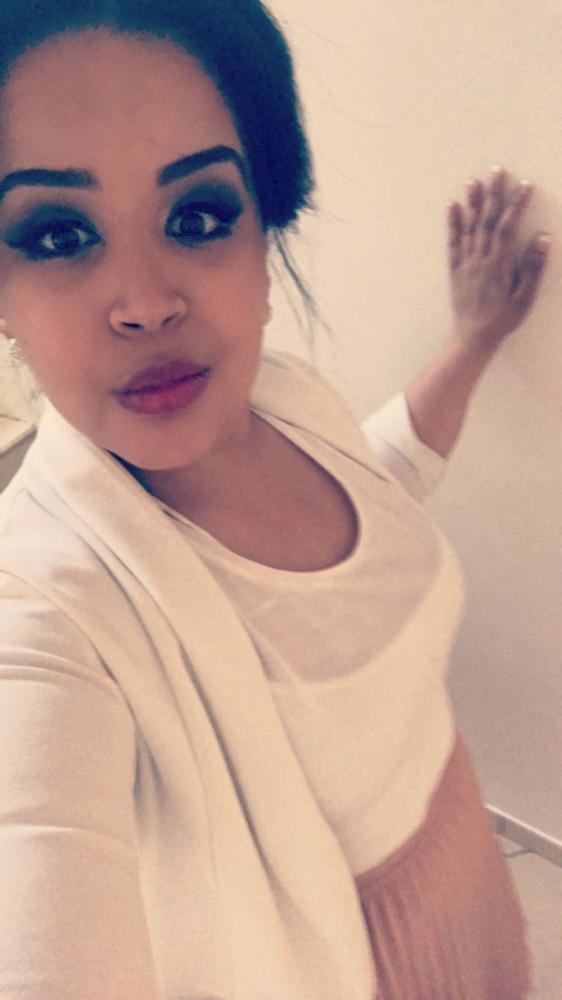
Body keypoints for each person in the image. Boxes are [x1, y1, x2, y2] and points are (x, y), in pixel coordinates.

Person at [0, 2, 551, 998]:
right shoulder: (41, 608)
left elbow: (379, 480)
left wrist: (473, 340)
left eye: (198, 216)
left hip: (466, 876)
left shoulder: (286, 400)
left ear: (264, 235)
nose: (148, 302)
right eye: (58, 233)